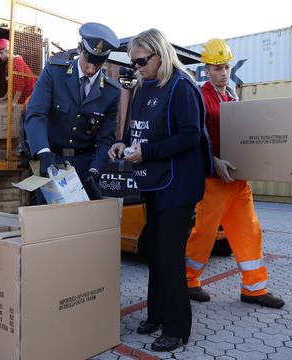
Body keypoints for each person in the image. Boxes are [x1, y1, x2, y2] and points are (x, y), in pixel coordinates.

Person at [108, 28, 211, 352]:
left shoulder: (182, 87)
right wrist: (122, 143)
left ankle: (177, 327)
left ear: (159, 54)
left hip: (177, 186)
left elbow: (191, 135)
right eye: (133, 61)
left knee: (169, 256)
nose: (137, 66)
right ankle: (156, 313)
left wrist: (148, 152)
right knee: (153, 248)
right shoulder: (142, 87)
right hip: (153, 181)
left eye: (141, 60)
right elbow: (135, 129)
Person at [184, 38, 285, 309]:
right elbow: (194, 137)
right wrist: (214, 160)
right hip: (214, 180)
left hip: (238, 181)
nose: (223, 72)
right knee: (204, 233)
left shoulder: (231, 96)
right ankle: (187, 280)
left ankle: (254, 288)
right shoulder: (200, 97)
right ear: (206, 69)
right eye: (217, 68)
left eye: (226, 67)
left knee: (249, 231)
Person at [24, 23, 121, 200]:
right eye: (88, 61)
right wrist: (43, 153)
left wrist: (94, 172)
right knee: (46, 223)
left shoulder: (111, 91)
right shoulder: (54, 72)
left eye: (98, 65)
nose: (91, 70)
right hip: (51, 162)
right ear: (79, 49)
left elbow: (106, 138)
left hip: (84, 167)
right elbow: (36, 115)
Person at [0, 38, 36, 106]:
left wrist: (14, 102)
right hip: (25, 98)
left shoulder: (15, 61)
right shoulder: (9, 64)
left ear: (8, 50)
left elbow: (20, 84)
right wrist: (5, 97)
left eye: (1, 53)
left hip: (29, 98)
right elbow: (11, 84)